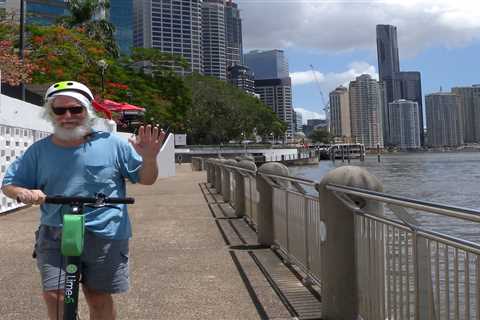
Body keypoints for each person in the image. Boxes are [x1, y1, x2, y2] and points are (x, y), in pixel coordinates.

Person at [1, 81, 165, 320]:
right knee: (55, 295)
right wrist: (22, 193)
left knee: (97, 296)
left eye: (75, 109)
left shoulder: (113, 144)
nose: (68, 116)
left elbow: (146, 179)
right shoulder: (39, 151)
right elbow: (10, 183)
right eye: (59, 110)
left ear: (88, 111)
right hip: (55, 230)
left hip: (105, 231)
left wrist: (149, 158)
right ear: (50, 113)